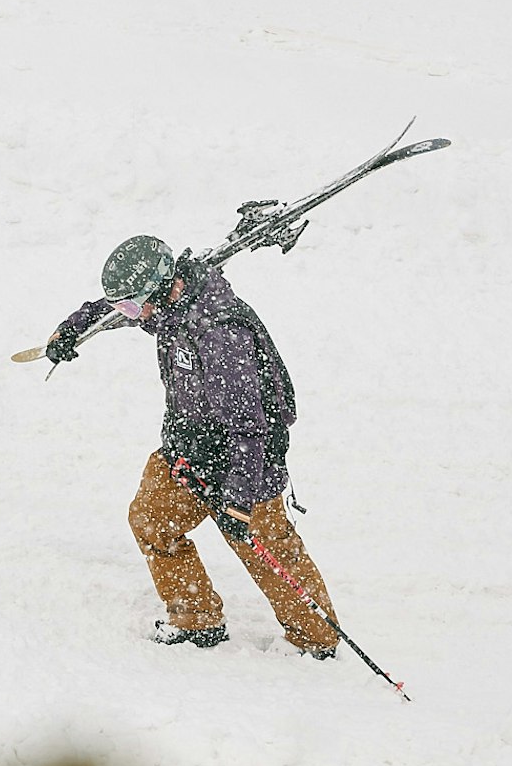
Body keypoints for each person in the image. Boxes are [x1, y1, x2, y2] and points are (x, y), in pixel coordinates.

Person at [47, 234, 338, 655]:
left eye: (133, 307)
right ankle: (196, 619)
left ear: (162, 289)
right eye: (127, 308)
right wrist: (72, 329)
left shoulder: (219, 333)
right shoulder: (166, 309)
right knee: (151, 520)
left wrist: (238, 499)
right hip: (188, 450)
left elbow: (250, 427)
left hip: (244, 463)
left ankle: (317, 641)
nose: (132, 316)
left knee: (269, 553)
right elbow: (112, 310)